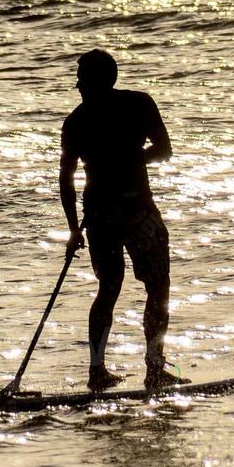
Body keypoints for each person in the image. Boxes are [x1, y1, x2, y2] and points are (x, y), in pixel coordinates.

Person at [59, 49, 188, 391]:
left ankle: (154, 365)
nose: (77, 84)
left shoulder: (138, 104)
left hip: (137, 210)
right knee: (110, 286)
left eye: (83, 77)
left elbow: (164, 149)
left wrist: (130, 162)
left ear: (104, 80)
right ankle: (98, 370)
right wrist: (72, 230)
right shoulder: (76, 122)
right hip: (102, 215)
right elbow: (66, 178)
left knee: (158, 287)